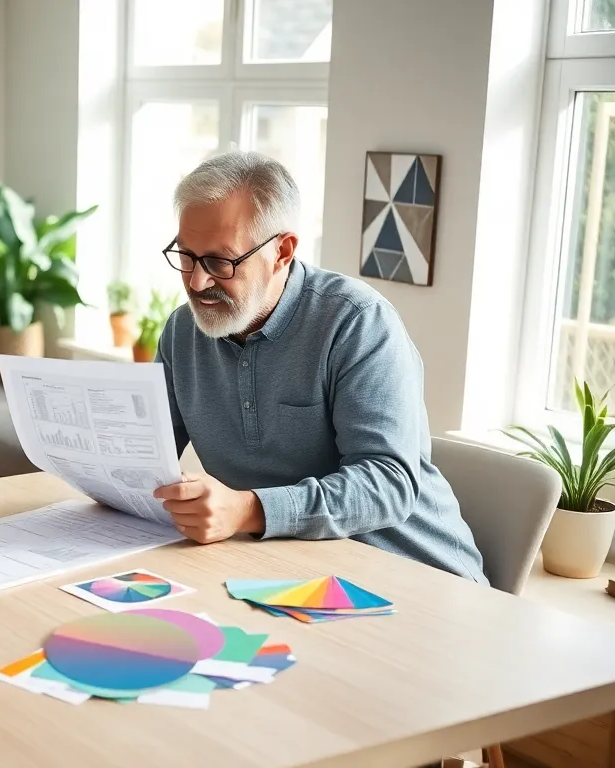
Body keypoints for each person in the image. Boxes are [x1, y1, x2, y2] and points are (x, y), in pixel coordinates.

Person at [149, 150, 486, 582]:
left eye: (220, 261)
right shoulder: (182, 332)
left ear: (283, 251)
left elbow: (387, 485)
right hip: (282, 571)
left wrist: (249, 509)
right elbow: (145, 455)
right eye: (187, 256)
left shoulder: (356, 322)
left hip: (411, 575)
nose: (197, 282)